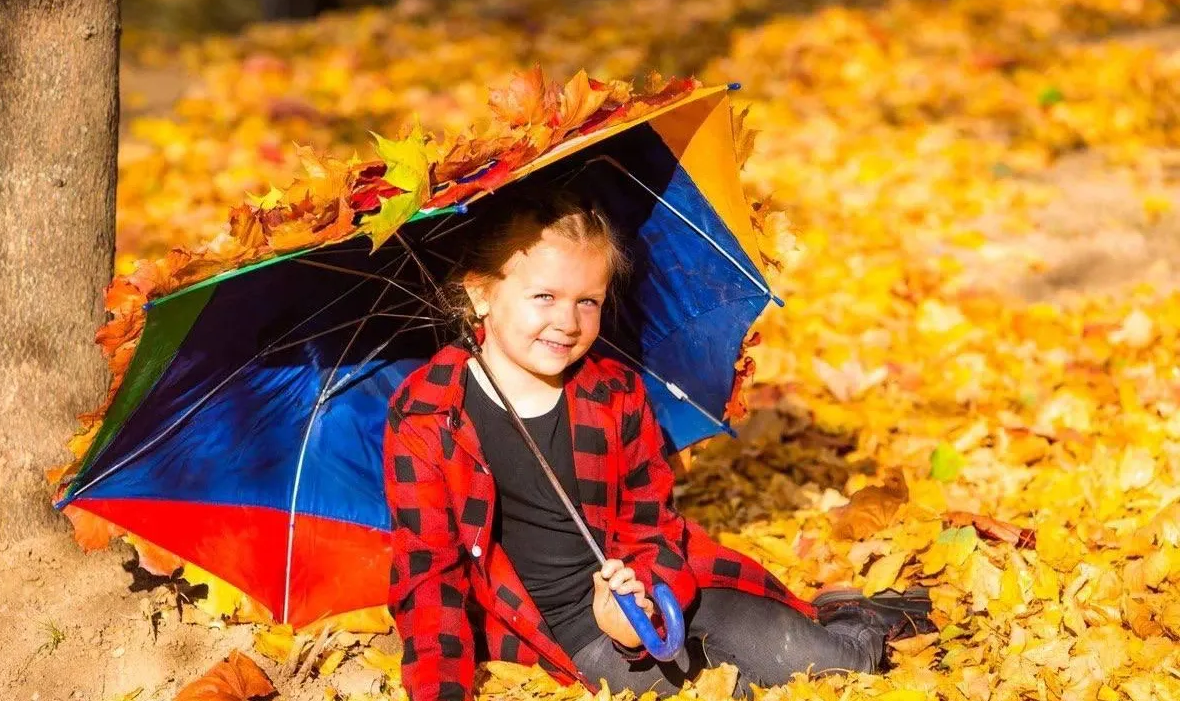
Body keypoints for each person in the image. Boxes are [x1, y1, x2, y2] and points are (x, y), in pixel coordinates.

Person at [381, 190, 936, 701]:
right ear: (481, 293)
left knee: (831, 663)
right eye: (544, 296)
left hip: (658, 592)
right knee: (730, 693)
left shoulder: (611, 391)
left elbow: (652, 523)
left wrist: (644, 594)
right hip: (572, 635)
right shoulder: (430, 413)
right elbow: (429, 573)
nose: (567, 323)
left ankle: (856, 619)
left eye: (588, 302)